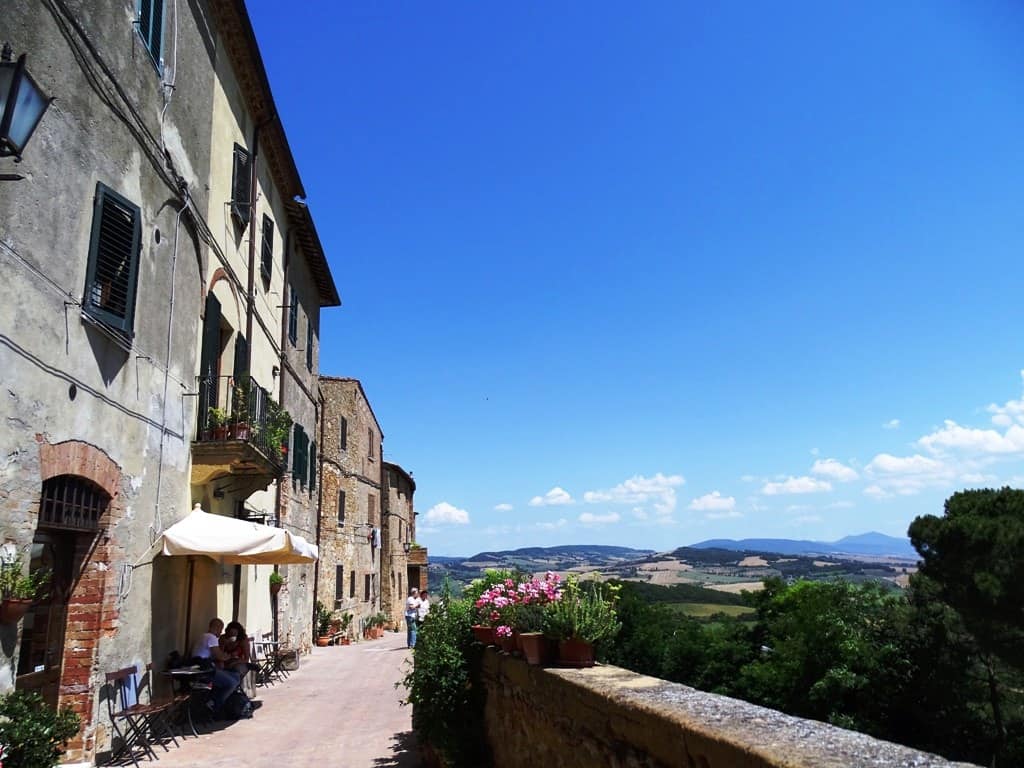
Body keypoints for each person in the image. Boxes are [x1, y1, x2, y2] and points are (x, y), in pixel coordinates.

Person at [192, 618, 240, 714]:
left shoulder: (203, 636)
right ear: (216, 628)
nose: (221, 632)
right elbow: (220, 656)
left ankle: (214, 699)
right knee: (232, 683)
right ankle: (214, 704)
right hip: (204, 671)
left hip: (200, 668)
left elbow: (215, 654)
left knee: (236, 676)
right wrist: (231, 656)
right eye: (220, 629)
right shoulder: (211, 637)